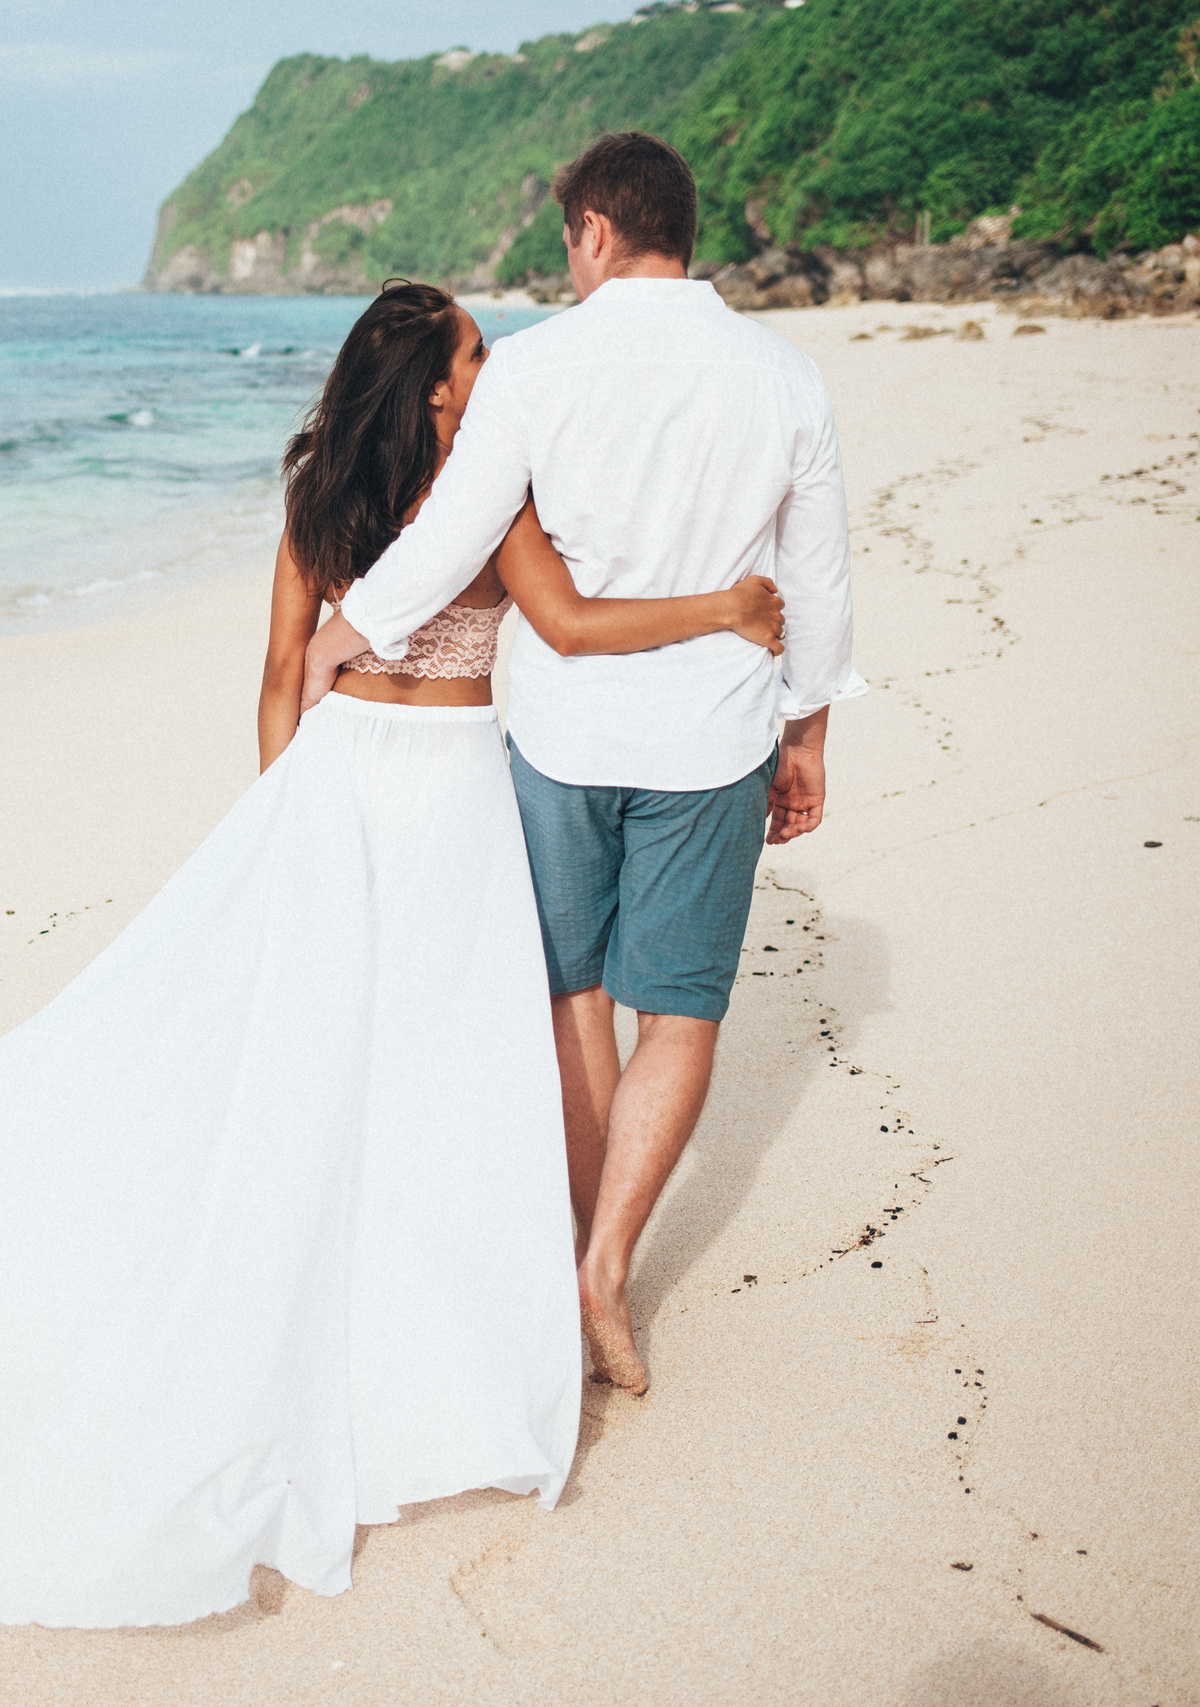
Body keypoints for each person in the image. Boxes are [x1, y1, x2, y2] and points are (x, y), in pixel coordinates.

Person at [0, 281, 784, 1629]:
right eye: (474, 353)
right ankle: (491, 1322)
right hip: (449, 794)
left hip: (339, 782)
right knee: (445, 1069)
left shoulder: (319, 503)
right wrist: (727, 606)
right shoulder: (493, 503)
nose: (490, 369)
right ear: (437, 391)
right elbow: (563, 625)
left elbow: (281, 673)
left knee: (340, 1064)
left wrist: (286, 811)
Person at [304, 132, 866, 1397]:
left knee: (573, 993)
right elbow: (816, 576)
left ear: (596, 231)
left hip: (561, 740)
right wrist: (808, 731)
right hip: (711, 737)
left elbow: (456, 528)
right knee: (682, 1007)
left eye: (568, 242)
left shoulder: (540, 368)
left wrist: (353, 627)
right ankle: (604, 1267)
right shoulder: (784, 376)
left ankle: (563, 1241)